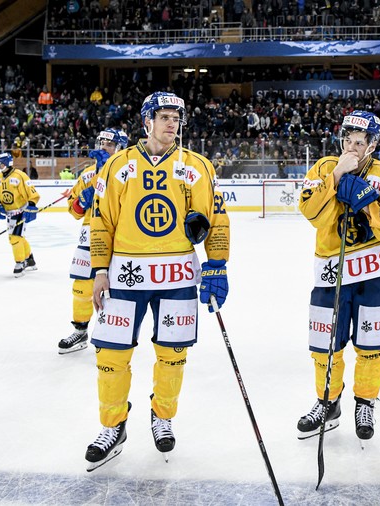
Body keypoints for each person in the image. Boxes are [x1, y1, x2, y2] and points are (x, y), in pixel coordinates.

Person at [85, 92, 230, 471]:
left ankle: (162, 415)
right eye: (164, 117)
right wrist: (99, 270)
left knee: (173, 354)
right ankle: (112, 426)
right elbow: (100, 221)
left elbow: (216, 219)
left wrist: (217, 265)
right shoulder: (117, 165)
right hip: (125, 275)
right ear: (146, 121)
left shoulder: (198, 167)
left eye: (176, 118)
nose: (171, 124)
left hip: (177, 275)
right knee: (111, 357)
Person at [296, 110, 380, 444]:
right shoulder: (321, 168)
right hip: (331, 274)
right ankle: (328, 403)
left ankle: (365, 402)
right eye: (347, 139)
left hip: (374, 273)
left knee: (372, 346)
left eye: (359, 141)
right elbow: (312, 214)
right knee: (325, 347)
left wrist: (368, 203)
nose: (351, 146)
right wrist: (335, 179)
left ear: (372, 144)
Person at [58, 128, 129, 355]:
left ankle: (111, 332)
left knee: (116, 287)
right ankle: (80, 330)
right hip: (88, 237)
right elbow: (74, 210)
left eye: (109, 144)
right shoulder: (87, 174)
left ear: (120, 147)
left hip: (118, 237)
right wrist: (82, 200)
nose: (103, 147)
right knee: (81, 288)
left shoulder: (127, 172)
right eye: (101, 142)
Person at [0, 152, 40, 277]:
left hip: (21, 211)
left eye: (1, 164)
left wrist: (31, 205)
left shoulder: (20, 176)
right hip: (9, 213)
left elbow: (32, 193)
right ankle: (30, 259)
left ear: (7, 163)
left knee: (15, 238)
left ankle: (20, 262)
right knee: (18, 237)